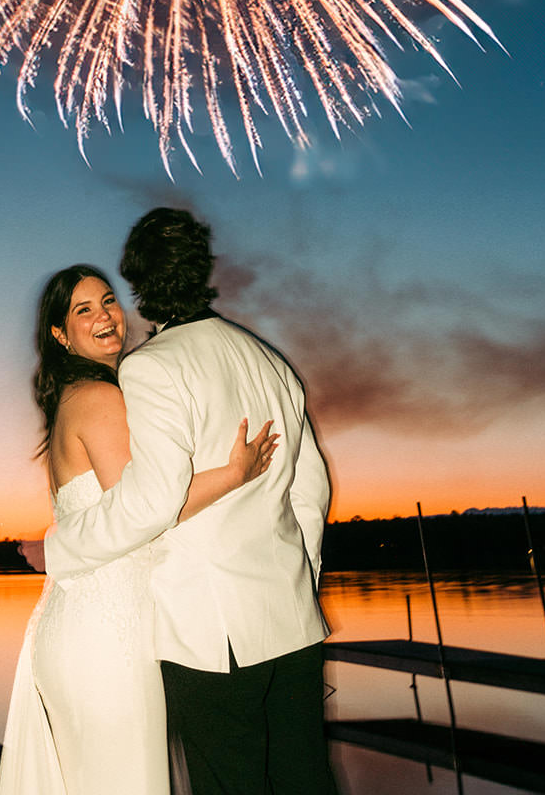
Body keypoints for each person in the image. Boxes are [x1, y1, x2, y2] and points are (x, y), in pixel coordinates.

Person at [46, 210, 337, 795]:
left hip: (212, 633)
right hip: (293, 620)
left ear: (138, 285)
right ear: (203, 272)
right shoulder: (270, 361)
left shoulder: (150, 368)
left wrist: (60, 543)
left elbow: (152, 501)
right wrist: (295, 575)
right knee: (306, 781)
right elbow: (311, 488)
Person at [0, 263, 277, 795]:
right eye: (84, 310)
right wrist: (233, 473)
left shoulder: (74, 398)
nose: (106, 316)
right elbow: (147, 504)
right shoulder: (101, 399)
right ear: (60, 334)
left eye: (108, 301)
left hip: (87, 628)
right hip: (107, 641)